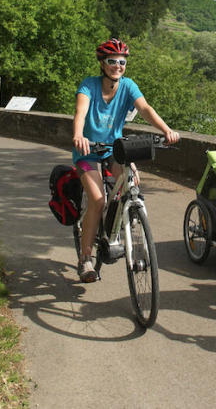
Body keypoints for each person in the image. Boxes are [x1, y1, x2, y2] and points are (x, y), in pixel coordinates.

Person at [72, 38, 180, 283]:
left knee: (132, 183)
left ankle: (120, 227)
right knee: (98, 201)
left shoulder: (128, 85)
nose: (117, 66)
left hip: (114, 149)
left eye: (122, 62)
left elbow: (145, 109)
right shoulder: (89, 85)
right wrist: (79, 135)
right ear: (102, 63)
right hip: (88, 151)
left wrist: (166, 130)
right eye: (112, 61)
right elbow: (81, 111)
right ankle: (86, 258)